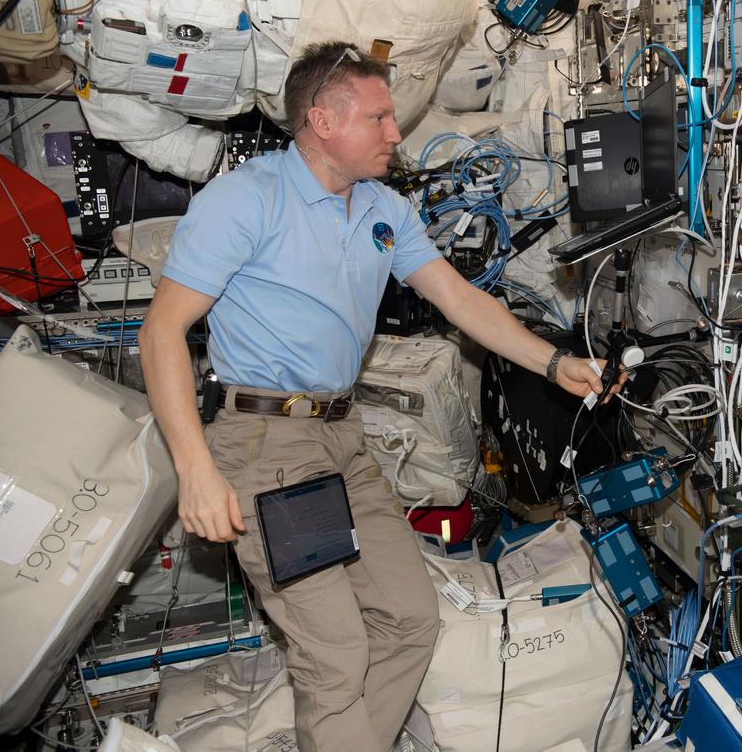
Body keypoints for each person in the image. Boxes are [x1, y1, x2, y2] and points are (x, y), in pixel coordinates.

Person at [139, 41, 618, 752]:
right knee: (334, 652)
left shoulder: (383, 208)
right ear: (322, 120)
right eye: (380, 116)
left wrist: (554, 363)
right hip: (267, 447)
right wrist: (196, 468)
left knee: (409, 616)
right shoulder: (247, 199)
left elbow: (460, 300)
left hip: (342, 438)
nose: (396, 133)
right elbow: (161, 333)